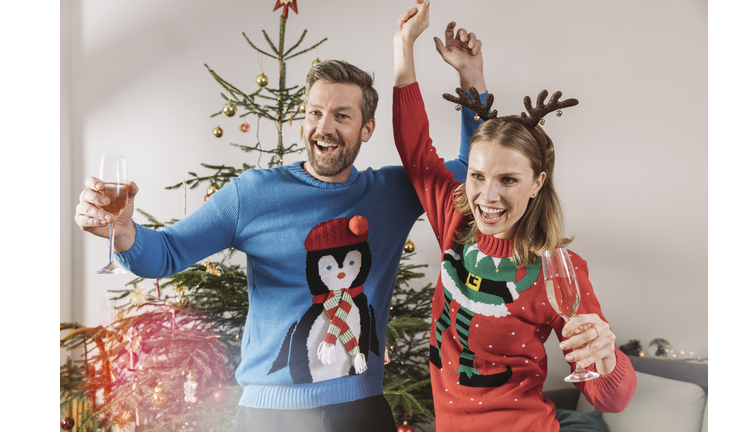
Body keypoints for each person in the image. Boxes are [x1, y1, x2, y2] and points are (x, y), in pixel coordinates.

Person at [74, 38, 488, 432]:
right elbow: (164, 254)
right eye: (314, 113)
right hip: (270, 417)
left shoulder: (392, 193)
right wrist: (123, 231)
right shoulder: (252, 194)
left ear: (367, 128)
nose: (323, 128)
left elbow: (474, 172)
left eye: (342, 116)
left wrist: (472, 77)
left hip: (360, 410)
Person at [392, 2, 637, 431]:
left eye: (508, 180)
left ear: (537, 183)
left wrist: (607, 354)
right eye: (478, 176)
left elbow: (609, 398)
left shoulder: (559, 271)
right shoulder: (457, 221)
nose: (487, 196)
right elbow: (414, 146)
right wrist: (405, 46)